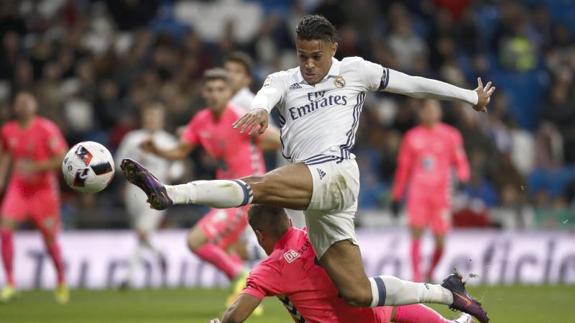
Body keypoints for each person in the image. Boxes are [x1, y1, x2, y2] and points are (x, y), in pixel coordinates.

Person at [121, 15, 494, 322]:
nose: (310, 65)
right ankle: (450, 294)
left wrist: (468, 97)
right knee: (357, 292)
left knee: (257, 187)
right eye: (303, 56)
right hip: (317, 196)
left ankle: (170, 193)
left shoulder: (356, 71)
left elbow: (412, 84)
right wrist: (261, 109)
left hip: (337, 171)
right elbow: (267, 94)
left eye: (317, 56)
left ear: (333, 48)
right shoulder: (283, 80)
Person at [137, 68, 281, 305]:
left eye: (220, 89)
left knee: (196, 241)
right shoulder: (201, 120)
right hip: (222, 194)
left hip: (244, 195)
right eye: (210, 89)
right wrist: (157, 150)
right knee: (229, 251)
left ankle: (242, 277)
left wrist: (266, 147)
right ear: (203, 92)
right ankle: (248, 294)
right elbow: (181, 150)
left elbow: (278, 140)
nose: (215, 94)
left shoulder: (240, 117)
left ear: (228, 93)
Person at [211, 205, 474, 323]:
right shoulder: (315, 236)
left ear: (258, 235)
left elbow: (237, 314)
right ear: (289, 221)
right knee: (387, 301)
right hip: (367, 312)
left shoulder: (269, 269)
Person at [0, 92, 69, 303]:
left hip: (44, 190)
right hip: (19, 188)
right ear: (15, 108)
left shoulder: (46, 128)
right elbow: (5, 154)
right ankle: (11, 282)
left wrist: (36, 166)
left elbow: (63, 158)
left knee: (49, 240)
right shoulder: (8, 130)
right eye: (18, 102)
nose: (22, 106)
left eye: (26, 102)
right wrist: (2, 179)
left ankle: (61, 281)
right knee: (4, 230)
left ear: (35, 105)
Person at [392, 99, 470, 283]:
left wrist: (464, 177)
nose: (429, 112)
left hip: (441, 196)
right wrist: (396, 195)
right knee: (416, 235)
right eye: (426, 109)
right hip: (418, 195)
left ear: (439, 112)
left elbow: (461, 160)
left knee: (441, 241)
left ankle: (431, 271)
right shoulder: (412, 137)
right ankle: (417, 278)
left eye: (433, 109)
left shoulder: (451, 135)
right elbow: (403, 169)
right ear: (420, 113)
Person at [115, 102, 184, 287]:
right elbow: (118, 161)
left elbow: (178, 165)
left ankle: (130, 277)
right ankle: (157, 254)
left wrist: (173, 173)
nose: (152, 119)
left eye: (156, 116)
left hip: (157, 191)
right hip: (133, 191)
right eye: (149, 116)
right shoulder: (132, 138)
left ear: (161, 119)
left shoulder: (168, 141)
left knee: (143, 231)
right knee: (140, 232)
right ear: (144, 118)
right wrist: (129, 167)